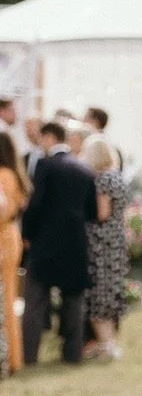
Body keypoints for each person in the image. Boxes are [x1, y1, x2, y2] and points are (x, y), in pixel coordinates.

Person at [20, 120, 99, 368]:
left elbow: (36, 206)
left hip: (44, 245)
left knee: (35, 302)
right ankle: (72, 353)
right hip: (75, 244)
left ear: (49, 137)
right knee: (73, 302)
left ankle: (29, 355)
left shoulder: (46, 166)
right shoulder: (85, 170)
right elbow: (92, 211)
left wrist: (27, 234)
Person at [80, 109, 127, 359]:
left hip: (102, 243)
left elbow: (102, 213)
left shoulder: (103, 181)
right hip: (116, 241)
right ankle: (107, 342)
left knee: (100, 292)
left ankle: (106, 343)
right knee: (111, 290)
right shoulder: (117, 177)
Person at [0, 111, 24, 377]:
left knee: (5, 301)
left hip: (3, 240)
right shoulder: (12, 174)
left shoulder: (3, 175)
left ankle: (10, 357)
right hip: (9, 238)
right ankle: (13, 357)